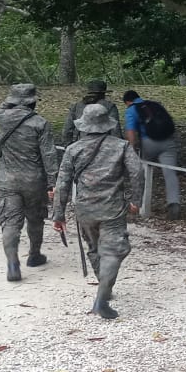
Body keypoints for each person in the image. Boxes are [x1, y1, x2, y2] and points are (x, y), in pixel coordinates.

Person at [52, 104, 144, 320]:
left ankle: (105, 287)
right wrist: (136, 200)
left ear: (84, 125)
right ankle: (102, 298)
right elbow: (137, 171)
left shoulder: (73, 149)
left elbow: (62, 182)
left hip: (85, 208)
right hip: (112, 208)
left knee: (94, 248)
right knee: (113, 251)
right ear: (107, 125)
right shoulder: (122, 146)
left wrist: (59, 214)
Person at [0, 84, 60, 282]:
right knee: (35, 218)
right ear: (33, 101)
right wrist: (52, 182)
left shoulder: (1, 118)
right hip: (34, 179)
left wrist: (11, 99)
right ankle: (34, 254)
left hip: (7, 179)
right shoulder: (40, 123)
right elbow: (49, 154)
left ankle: (12, 262)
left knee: (10, 223)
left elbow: (1, 108)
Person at [122, 90, 181, 220]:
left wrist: (131, 149)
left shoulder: (131, 109)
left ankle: (141, 204)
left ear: (127, 102)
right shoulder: (155, 105)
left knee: (143, 171)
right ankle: (173, 203)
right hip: (168, 142)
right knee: (170, 173)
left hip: (149, 142)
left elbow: (131, 131)